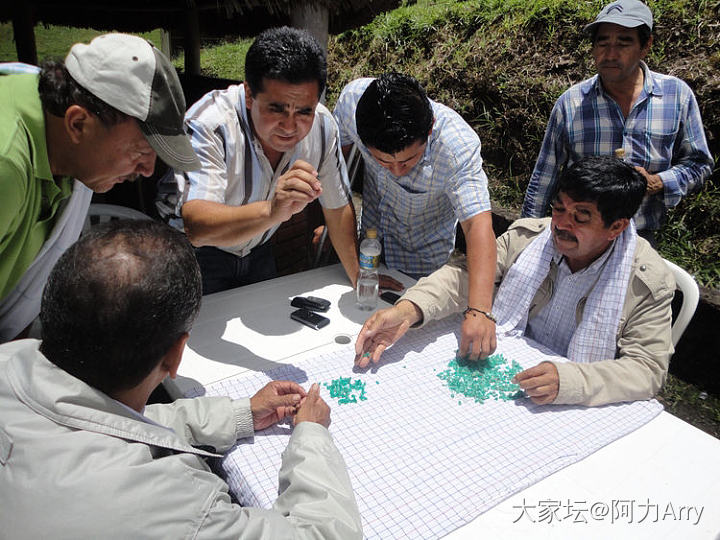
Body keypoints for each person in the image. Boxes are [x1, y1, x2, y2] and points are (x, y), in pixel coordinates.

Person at [0, 219, 362, 538]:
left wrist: (240, 414)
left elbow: (101, 419)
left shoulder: (10, 362)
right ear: (176, 355)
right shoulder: (174, 503)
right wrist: (311, 435)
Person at [355, 156, 675, 407]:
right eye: (559, 209)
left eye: (580, 217)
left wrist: (570, 381)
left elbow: (646, 370)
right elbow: (465, 275)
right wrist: (409, 310)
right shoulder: (529, 238)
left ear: (616, 227)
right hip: (511, 378)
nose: (561, 224)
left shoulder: (647, 281)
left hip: (570, 396)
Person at [0, 33, 199, 342]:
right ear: (78, 123)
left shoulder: (71, 153)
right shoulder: (6, 163)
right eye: (140, 152)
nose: (147, 171)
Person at [157, 27, 372, 295]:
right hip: (196, 255)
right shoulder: (210, 123)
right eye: (276, 109)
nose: (290, 126)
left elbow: (337, 207)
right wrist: (272, 211)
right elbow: (197, 227)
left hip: (259, 248)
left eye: (304, 111)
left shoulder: (322, 125)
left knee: (267, 319)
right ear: (249, 94)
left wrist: (360, 280)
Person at [333, 72, 498, 359]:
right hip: (370, 242)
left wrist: (479, 311)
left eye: (408, 160)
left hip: (421, 260)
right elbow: (336, 169)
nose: (396, 170)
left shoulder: (456, 147)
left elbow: (477, 226)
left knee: (410, 345)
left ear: (430, 128)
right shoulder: (352, 103)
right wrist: (335, 227)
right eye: (382, 161)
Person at [521, 0, 713, 245]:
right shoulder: (571, 104)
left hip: (641, 239)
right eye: (603, 43)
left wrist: (659, 182)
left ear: (646, 46)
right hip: (578, 239)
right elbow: (543, 177)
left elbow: (699, 163)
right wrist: (525, 239)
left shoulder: (676, 96)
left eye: (624, 42)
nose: (610, 54)